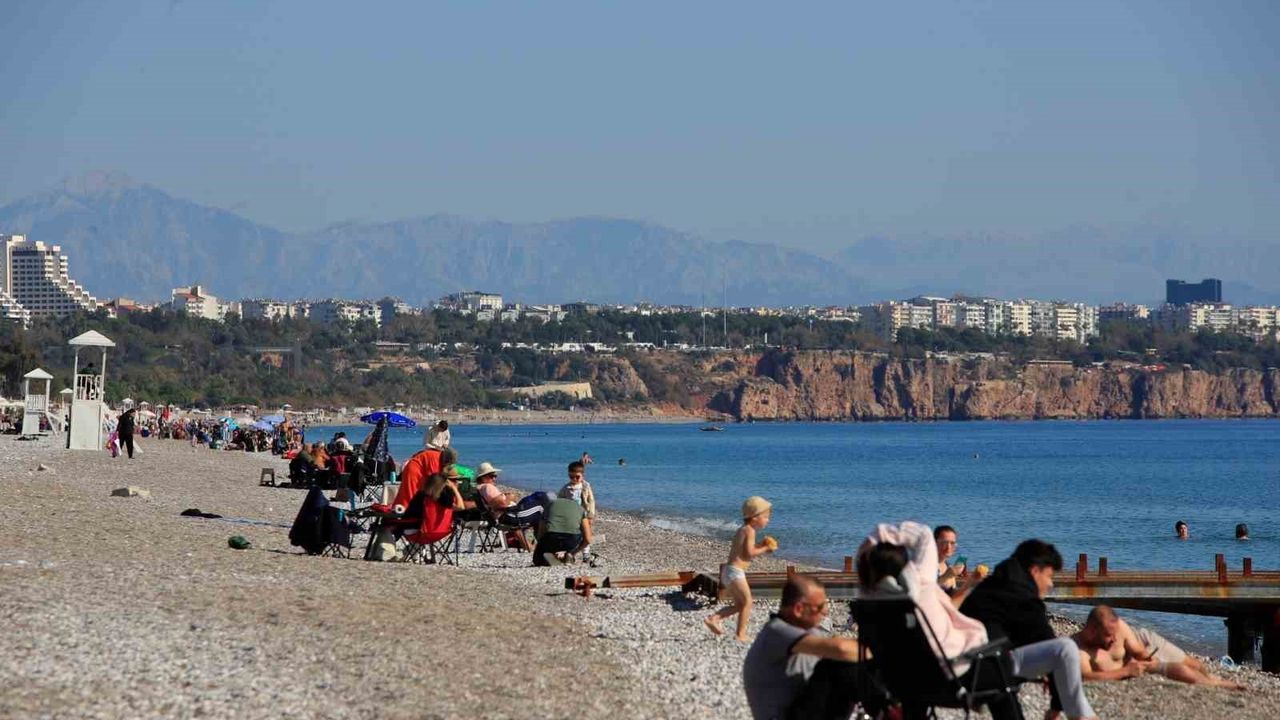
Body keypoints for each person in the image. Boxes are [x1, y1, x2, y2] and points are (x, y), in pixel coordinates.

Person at [861, 524, 1097, 720]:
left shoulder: (871, 601)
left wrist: (866, 552)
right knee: (1062, 649)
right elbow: (923, 534)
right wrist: (872, 541)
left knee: (1000, 674)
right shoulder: (922, 586)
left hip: (912, 682)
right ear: (907, 571)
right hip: (961, 674)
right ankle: (1082, 717)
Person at [743, 575, 879, 720]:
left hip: (803, 709)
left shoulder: (804, 630)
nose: (826, 611)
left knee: (852, 661)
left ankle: (888, 708)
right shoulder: (776, 632)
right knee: (838, 664)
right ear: (798, 609)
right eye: (820, 606)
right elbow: (841, 649)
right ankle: (888, 711)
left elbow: (842, 643)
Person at [1072, 605, 1244, 690]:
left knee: (1196, 664)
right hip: (1130, 667)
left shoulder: (1117, 627)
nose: (1114, 638)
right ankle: (1217, 685)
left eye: (1115, 633)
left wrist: (1145, 656)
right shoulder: (1079, 649)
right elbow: (1086, 677)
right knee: (1181, 671)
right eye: (1109, 635)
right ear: (1093, 630)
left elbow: (1138, 649)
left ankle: (1212, 678)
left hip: (1144, 643)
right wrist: (1125, 672)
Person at [705, 496, 777, 642]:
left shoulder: (743, 530)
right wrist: (765, 548)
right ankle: (740, 635)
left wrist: (760, 546)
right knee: (748, 602)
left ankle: (714, 618)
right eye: (766, 517)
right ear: (755, 517)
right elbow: (749, 554)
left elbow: (745, 551)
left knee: (740, 604)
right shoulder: (750, 531)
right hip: (734, 572)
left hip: (729, 572)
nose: (768, 520)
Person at [473, 461, 537, 551]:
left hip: (499, 518)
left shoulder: (480, 488)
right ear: (483, 477)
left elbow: (493, 502)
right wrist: (510, 497)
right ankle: (540, 545)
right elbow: (500, 504)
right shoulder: (488, 487)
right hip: (508, 516)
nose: (494, 479)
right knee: (539, 509)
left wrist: (503, 496)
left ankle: (529, 545)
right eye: (492, 476)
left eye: (495, 476)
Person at [533, 496, 592, 566]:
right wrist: (574, 552)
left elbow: (541, 530)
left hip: (551, 538)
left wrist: (542, 546)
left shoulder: (550, 504)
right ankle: (568, 555)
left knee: (537, 560)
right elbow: (588, 539)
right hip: (571, 540)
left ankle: (551, 555)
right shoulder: (580, 508)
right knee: (579, 532)